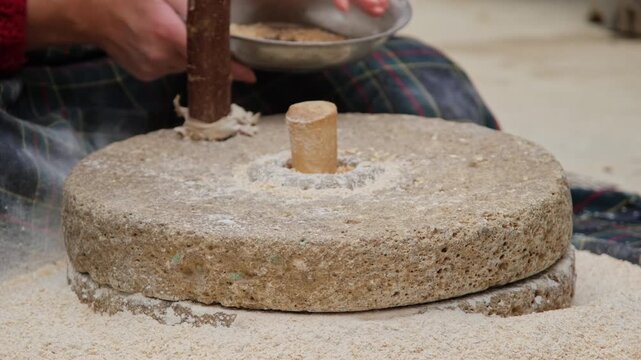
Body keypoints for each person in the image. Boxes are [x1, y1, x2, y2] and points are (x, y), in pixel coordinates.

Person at [1, 0, 637, 265]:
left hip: (226, 30)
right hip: (30, 60)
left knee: (425, 97)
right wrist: (75, 13)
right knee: (36, 205)